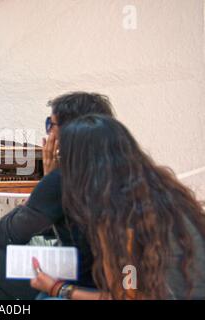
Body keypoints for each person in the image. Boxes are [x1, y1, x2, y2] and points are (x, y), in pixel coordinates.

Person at [30, 115, 205, 299]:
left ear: (79, 168)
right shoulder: (162, 192)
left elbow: (125, 296)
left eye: (63, 158)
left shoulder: (118, 218)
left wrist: (58, 288)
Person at [0, 92, 115, 300]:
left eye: (51, 125)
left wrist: (46, 183)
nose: (49, 133)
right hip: (115, 284)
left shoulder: (66, 179)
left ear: (72, 132)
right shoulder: (135, 177)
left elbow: (6, 236)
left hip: (80, 289)